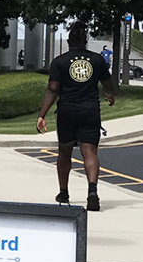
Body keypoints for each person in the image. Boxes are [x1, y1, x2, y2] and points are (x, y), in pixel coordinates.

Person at [35, 21, 114, 210]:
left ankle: (63, 192)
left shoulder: (60, 62)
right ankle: (92, 191)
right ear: (85, 41)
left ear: (69, 42)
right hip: (90, 111)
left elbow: (53, 89)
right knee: (90, 152)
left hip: (67, 111)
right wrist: (109, 94)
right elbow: (107, 82)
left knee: (64, 152)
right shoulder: (97, 60)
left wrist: (41, 115)